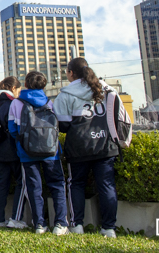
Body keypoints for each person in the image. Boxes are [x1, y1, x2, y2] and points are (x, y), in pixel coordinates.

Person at [54, 57, 126, 239]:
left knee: (76, 184)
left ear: (71, 73)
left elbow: (63, 125)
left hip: (79, 147)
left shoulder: (65, 94)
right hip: (105, 144)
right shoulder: (105, 89)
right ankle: (109, 228)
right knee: (107, 185)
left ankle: (77, 225)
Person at [8, 71, 68, 235]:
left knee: (34, 187)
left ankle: (40, 224)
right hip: (51, 151)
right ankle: (61, 224)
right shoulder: (50, 102)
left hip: (26, 152)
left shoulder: (16, 103)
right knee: (57, 185)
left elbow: (12, 129)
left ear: (26, 84)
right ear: (44, 85)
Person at [0, 77, 28, 229]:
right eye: (18, 90)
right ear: (13, 88)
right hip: (12, 149)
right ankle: (16, 218)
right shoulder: (13, 103)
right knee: (21, 182)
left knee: (1, 184)